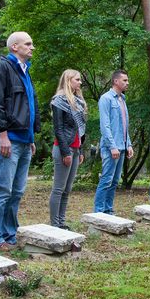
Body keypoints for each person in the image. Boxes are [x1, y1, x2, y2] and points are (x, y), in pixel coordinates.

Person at [0, 32, 39, 251]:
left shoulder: (25, 71)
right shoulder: (2, 68)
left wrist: (31, 137)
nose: (32, 47)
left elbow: (30, 107)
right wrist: (2, 133)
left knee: (16, 191)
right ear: (14, 47)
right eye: (28, 44)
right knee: (2, 189)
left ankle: (9, 234)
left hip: (24, 140)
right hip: (8, 139)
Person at [48, 70, 87, 230]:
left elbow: (80, 129)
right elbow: (59, 129)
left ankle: (61, 222)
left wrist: (81, 150)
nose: (80, 83)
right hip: (64, 149)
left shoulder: (78, 102)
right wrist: (66, 152)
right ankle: (54, 224)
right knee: (58, 188)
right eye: (77, 80)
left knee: (67, 189)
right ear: (68, 80)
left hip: (76, 149)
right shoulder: (59, 101)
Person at [94, 70, 134, 214]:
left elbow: (124, 125)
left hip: (122, 146)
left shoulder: (122, 99)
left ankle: (108, 211)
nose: (127, 83)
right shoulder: (106, 98)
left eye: (127, 80)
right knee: (106, 180)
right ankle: (98, 212)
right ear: (116, 81)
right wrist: (112, 146)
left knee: (115, 181)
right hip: (111, 147)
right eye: (124, 80)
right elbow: (105, 125)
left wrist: (128, 144)